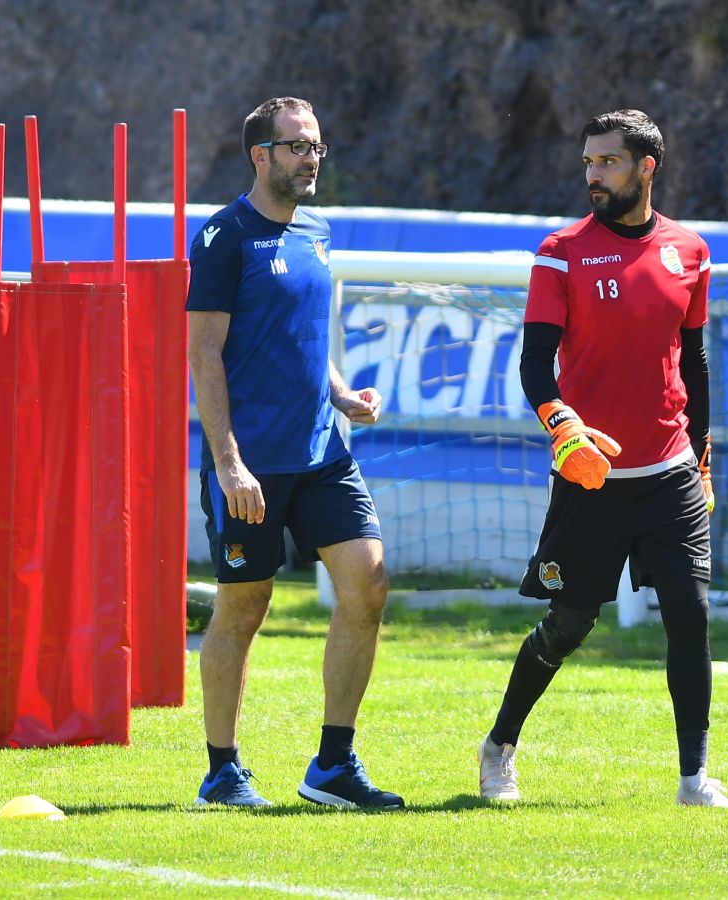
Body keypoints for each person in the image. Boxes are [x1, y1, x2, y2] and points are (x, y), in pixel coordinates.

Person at [475, 109, 728, 809]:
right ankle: (500, 745)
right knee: (570, 624)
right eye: (588, 163)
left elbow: (695, 360)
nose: (592, 175)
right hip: (589, 476)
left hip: (672, 472)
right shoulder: (561, 250)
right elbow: (536, 363)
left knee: (690, 614)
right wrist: (564, 428)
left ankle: (694, 780)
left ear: (645, 167)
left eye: (607, 163)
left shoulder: (690, 251)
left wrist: (704, 457)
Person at [187, 97, 401, 810]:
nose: (311, 159)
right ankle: (222, 773)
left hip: (322, 453)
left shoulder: (318, 230)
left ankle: (332, 766)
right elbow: (205, 354)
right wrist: (228, 463)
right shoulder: (223, 236)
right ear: (261, 155)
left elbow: (302, 337)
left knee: (368, 584)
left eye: (316, 147)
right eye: (297, 147)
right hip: (250, 463)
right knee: (243, 610)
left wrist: (341, 394)